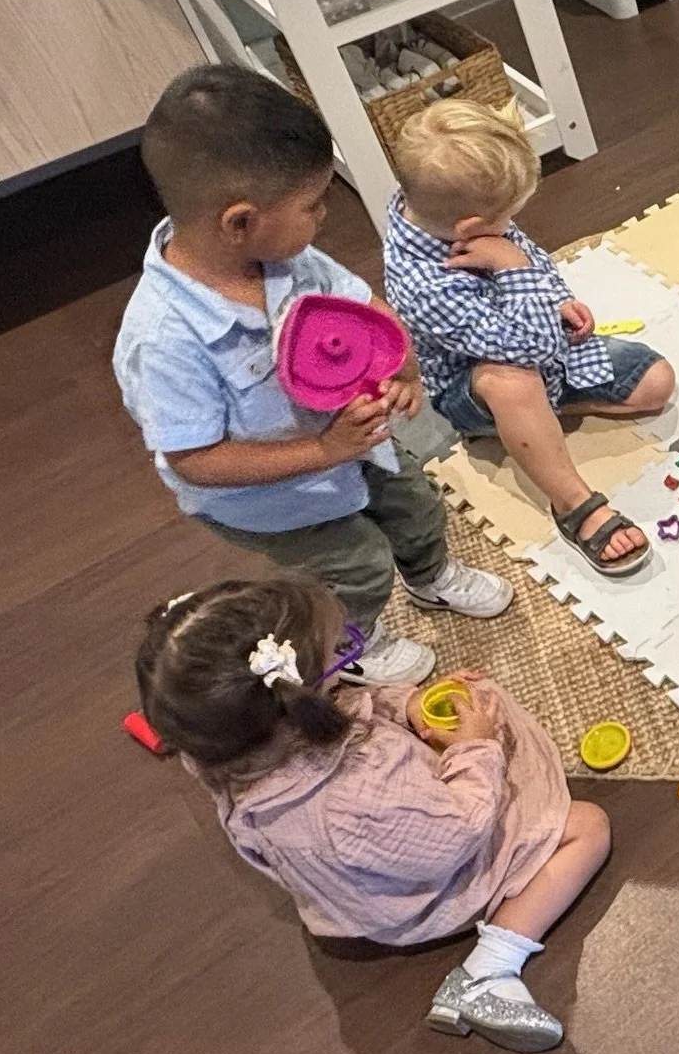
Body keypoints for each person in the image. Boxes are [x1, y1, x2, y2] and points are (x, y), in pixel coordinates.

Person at [114, 67, 512, 688]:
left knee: (417, 508)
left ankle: (431, 578)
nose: (323, 216)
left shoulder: (288, 259)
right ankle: (354, 640)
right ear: (239, 221)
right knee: (357, 566)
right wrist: (323, 450)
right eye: (311, 205)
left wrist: (401, 366)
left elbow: (362, 308)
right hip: (275, 499)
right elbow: (195, 460)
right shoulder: (164, 337)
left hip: (358, 445)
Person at [137, 576, 610, 1052]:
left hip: (349, 896)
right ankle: (489, 970)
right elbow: (458, 833)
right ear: (299, 701)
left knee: (469, 700)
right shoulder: (355, 796)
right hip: (426, 892)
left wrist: (406, 704)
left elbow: (348, 705)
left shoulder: (221, 752)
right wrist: (475, 750)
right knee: (586, 828)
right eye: (338, 658)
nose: (345, 662)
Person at [383, 99, 677, 577]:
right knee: (513, 383)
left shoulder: (469, 219)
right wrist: (512, 269)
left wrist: (557, 299)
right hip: (475, 387)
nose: (513, 227)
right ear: (471, 229)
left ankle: (534, 420)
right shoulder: (425, 283)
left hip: (541, 349)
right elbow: (530, 346)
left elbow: (534, 260)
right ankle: (572, 502)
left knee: (656, 382)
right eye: (508, 217)